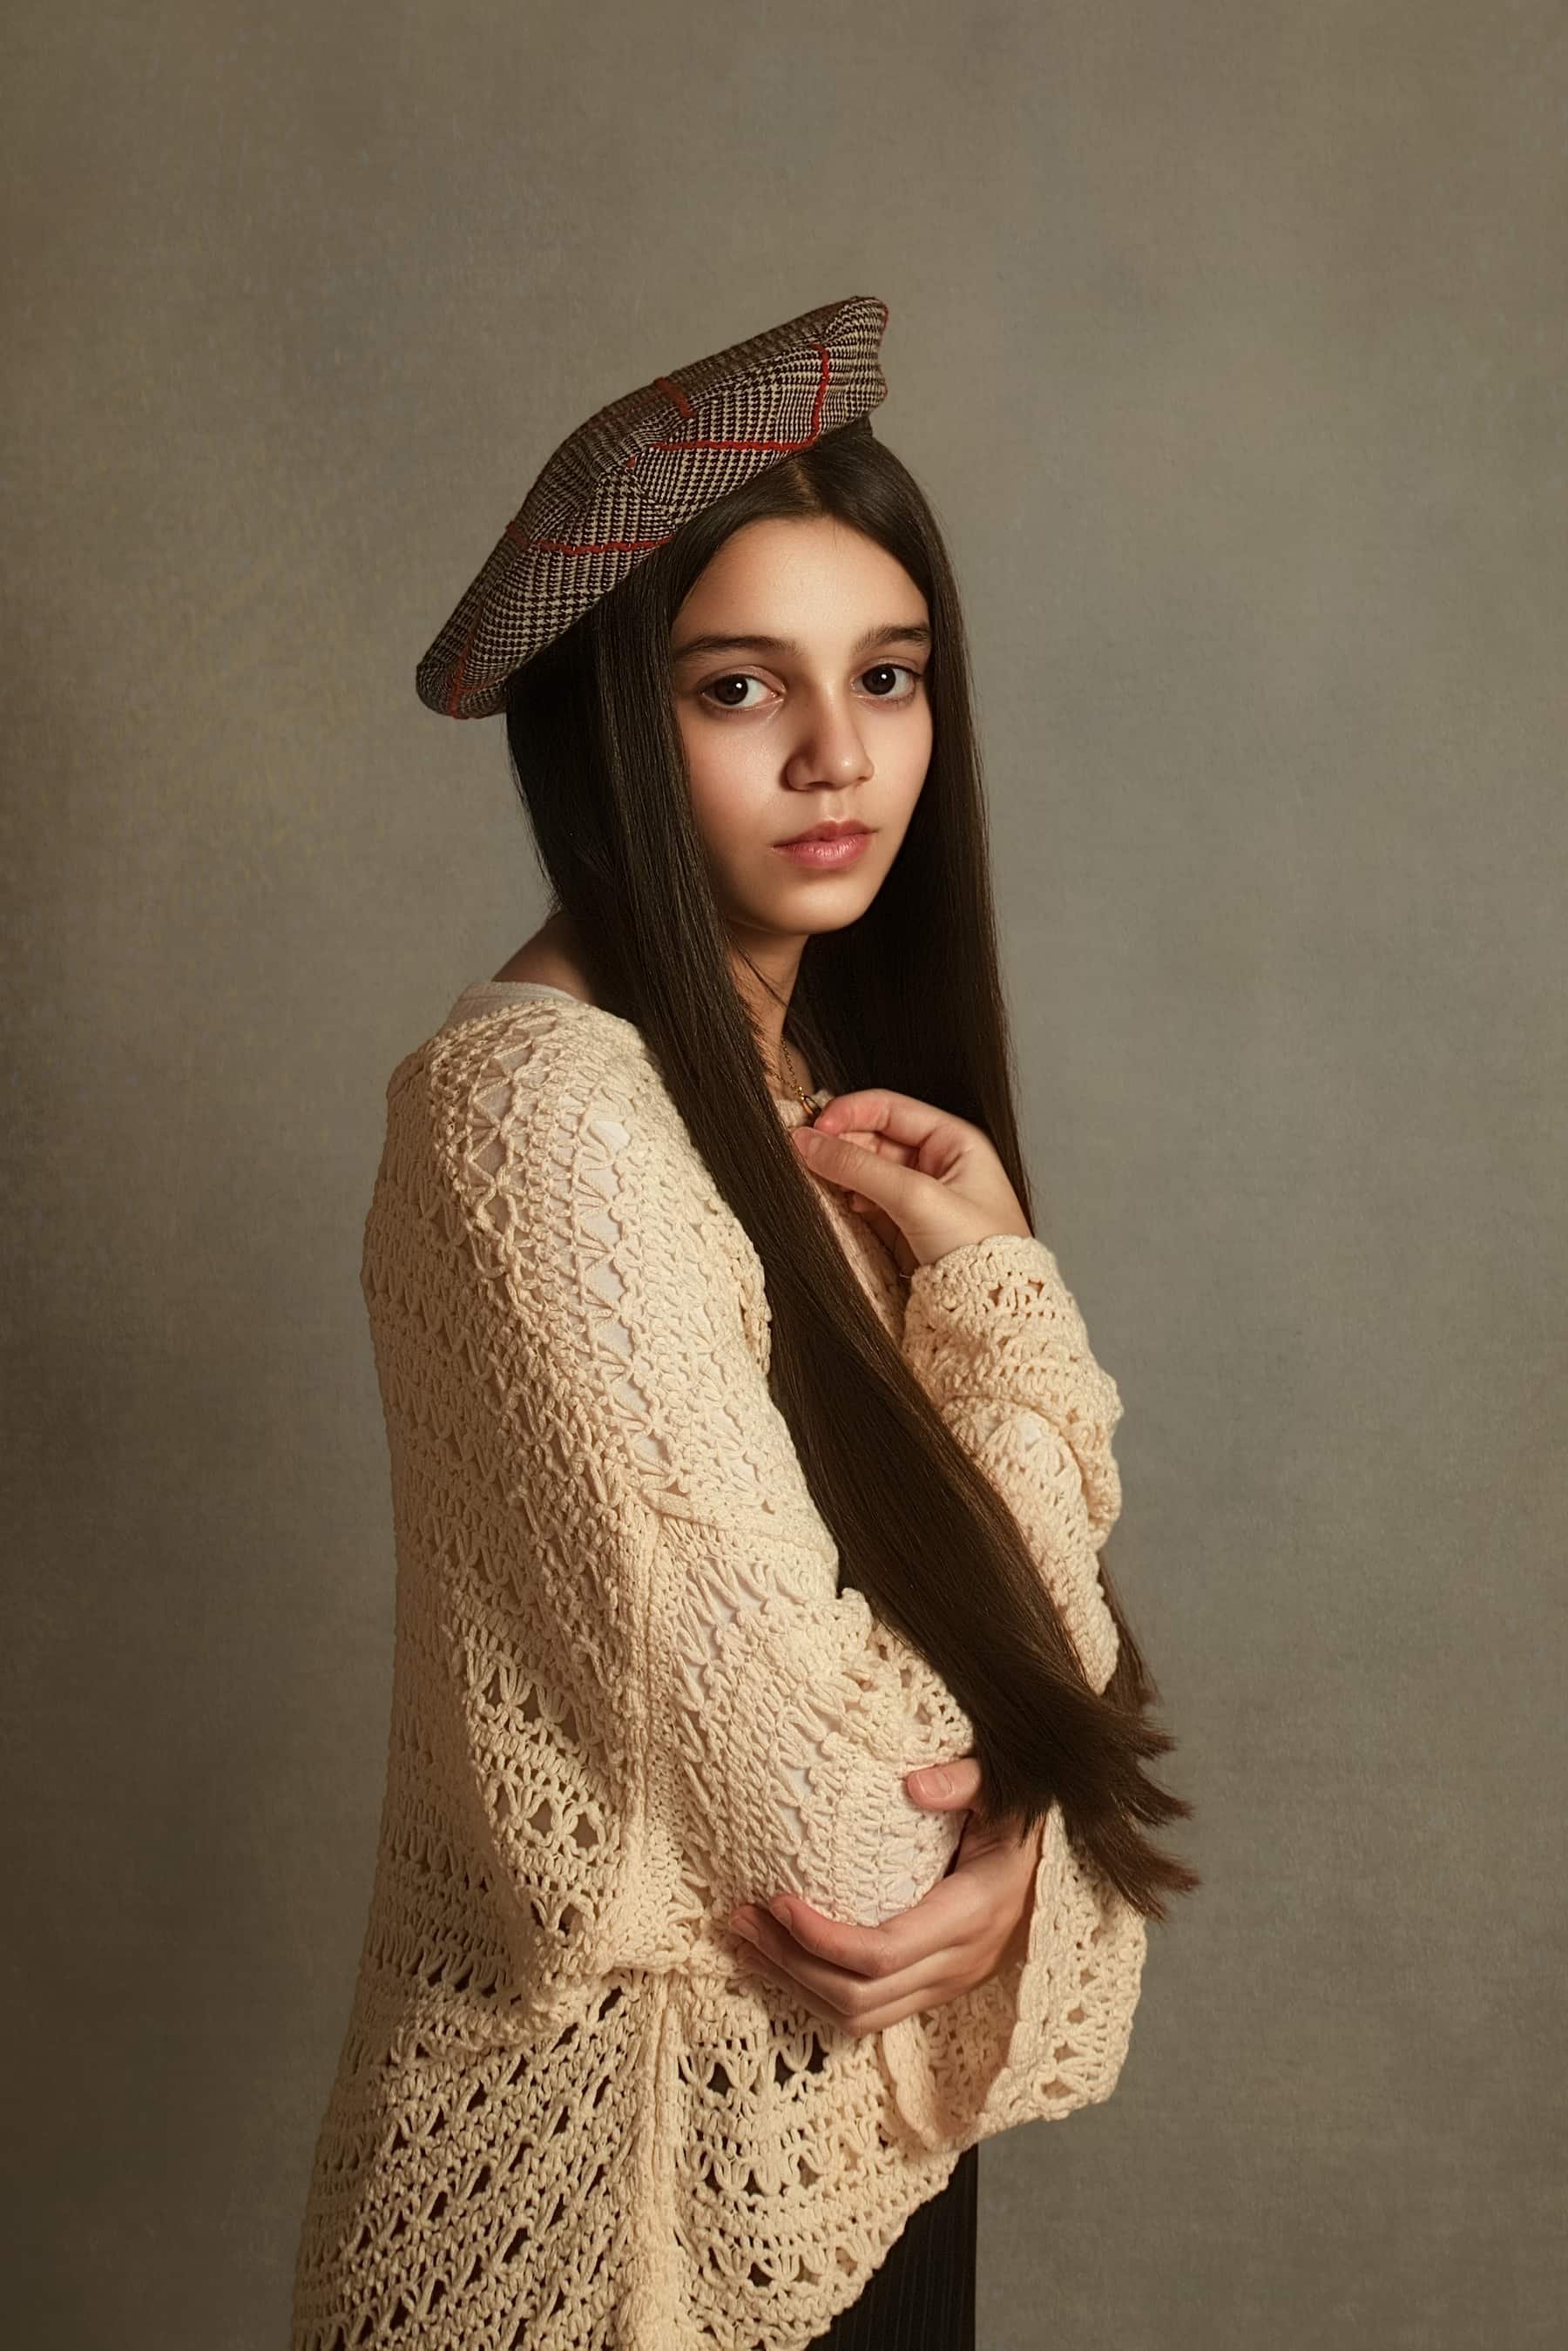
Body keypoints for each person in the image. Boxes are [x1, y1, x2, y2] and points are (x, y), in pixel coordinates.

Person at [289, 295, 1198, 2351]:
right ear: (612, 727)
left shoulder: (799, 1100)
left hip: (835, 2191)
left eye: (888, 674)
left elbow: (1003, 1681)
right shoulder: (539, 1122)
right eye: (736, 688)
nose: (837, 757)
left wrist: (1022, 1836)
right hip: (612, 2237)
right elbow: (844, 1828)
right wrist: (1003, 1316)